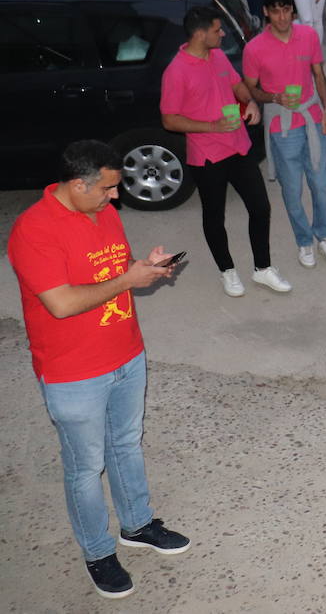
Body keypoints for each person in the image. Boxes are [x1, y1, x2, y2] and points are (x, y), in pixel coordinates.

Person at [6, 140, 190, 600]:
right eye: (107, 189)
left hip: (126, 352)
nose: (116, 198)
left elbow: (112, 268)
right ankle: (97, 552)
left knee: (126, 443)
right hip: (73, 371)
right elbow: (62, 302)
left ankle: (137, 524)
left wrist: (143, 269)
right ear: (77, 184)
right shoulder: (34, 231)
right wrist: (127, 280)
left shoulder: (103, 212)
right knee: (86, 467)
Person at [160, 6, 290, 297]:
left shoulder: (217, 56)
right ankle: (227, 271)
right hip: (206, 156)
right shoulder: (176, 71)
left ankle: (263, 269)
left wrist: (252, 103)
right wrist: (213, 126)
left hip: (239, 146)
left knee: (260, 207)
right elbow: (169, 119)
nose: (222, 34)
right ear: (200, 33)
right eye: (217, 30)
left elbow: (237, 84)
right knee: (214, 215)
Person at [242, 0, 326, 270]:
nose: (282, 17)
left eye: (286, 10)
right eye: (275, 11)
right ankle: (304, 241)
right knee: (292, 189)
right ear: (266, 13)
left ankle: (324, 236)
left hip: (312, 120)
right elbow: (251, 87)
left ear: (293, 12)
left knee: (320, 185)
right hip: (281, 126)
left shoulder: (308, 36)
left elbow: (319, 75)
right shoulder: (255, 48)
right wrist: (275, 98)